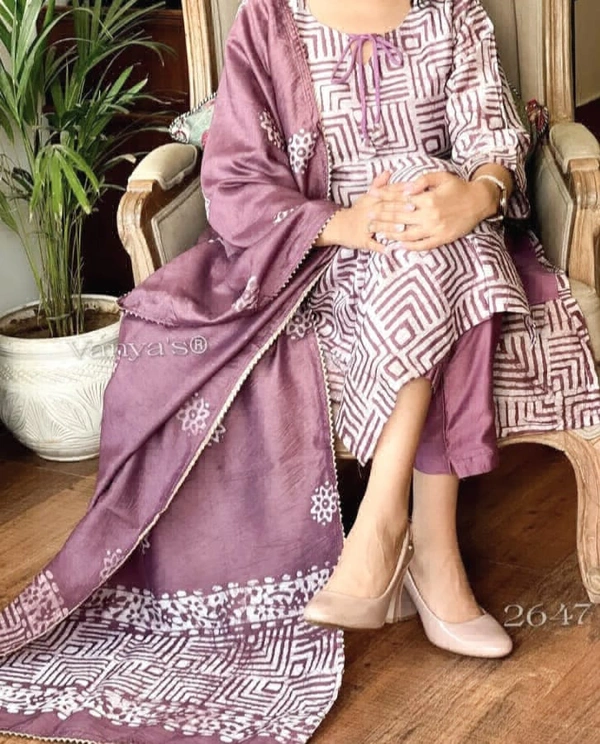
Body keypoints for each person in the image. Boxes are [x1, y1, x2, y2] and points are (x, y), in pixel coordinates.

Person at [0, 1, 599, 742]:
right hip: (315, 253)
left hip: (448, 235)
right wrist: (348, 222)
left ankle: (383, 530)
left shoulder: (454, 14)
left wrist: (476, 196)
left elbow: (490, 135)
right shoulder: (269, 21)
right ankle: (425, 554)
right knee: (436, 260)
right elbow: (235, 175)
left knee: (438, 242)